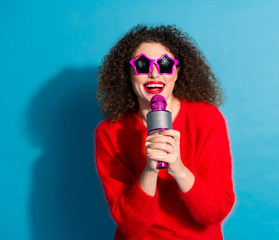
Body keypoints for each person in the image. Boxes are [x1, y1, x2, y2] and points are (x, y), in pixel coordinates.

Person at [95, 24, 235, 240]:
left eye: (165, 64)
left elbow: (213, 212)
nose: (154, 73)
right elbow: (131, 226)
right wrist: (150, 170)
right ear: (129, 74)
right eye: (142, 65)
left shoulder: (207, 119)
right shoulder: (110, 132)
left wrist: (178, 168)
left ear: (177, 72)